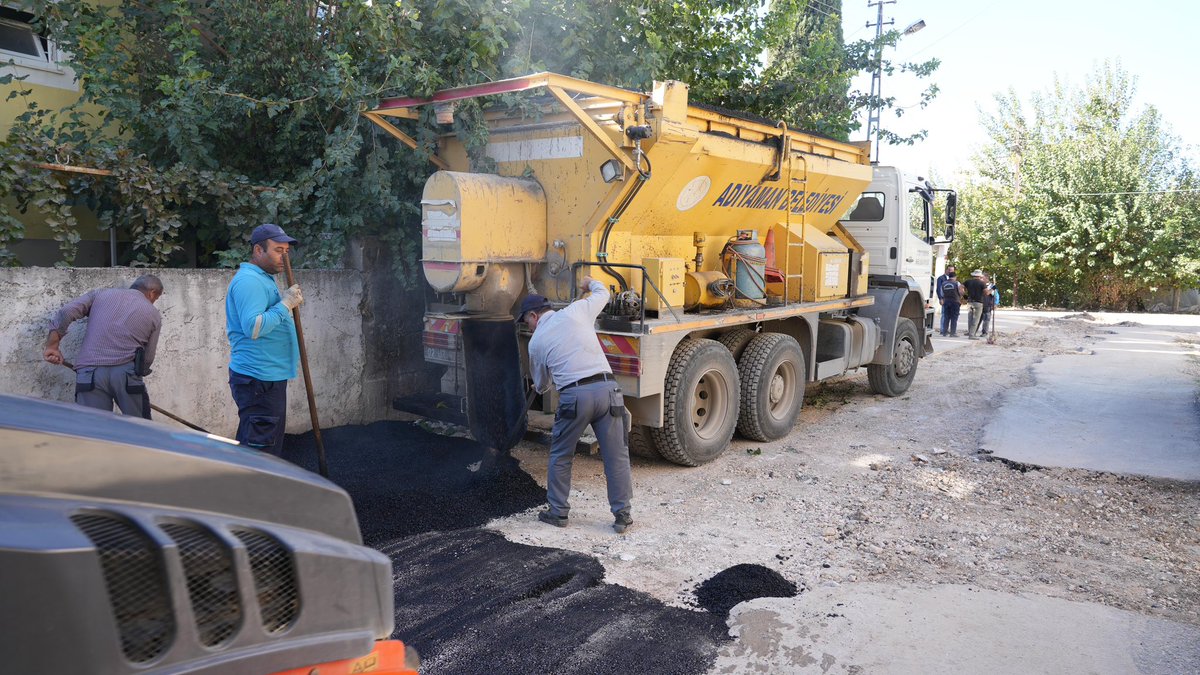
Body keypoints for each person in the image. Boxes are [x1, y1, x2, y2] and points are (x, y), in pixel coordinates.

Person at [521, 276, 634, 534]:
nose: (527, 326)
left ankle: (558, 512)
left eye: (526, 320)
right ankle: (622, 515)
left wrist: (537, 386)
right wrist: (589, 283)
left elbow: (541, 385)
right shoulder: (577, 310)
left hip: (576, 397)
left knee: (561, 455)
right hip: (609, 391)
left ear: (534, 316)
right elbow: (603, 293)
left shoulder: (536, 342)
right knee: (616, 456)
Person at [225, 224, 303, 456]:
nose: (284, 256)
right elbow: (255, 327)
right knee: (260, 449)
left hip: (266, 378)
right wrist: (285, 304)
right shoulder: (250, 281)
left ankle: (249, 489)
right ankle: (254, 491)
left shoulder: (263, 278)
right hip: (259, 380)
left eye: (286, 251)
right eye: (278, 250)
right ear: (259, 250)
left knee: (258, 442)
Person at [43, 275, 164, 418]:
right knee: (141, 428)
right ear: (152, 293)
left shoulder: (99, 294)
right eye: (155, 299)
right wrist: (139, 373)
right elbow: (148, 358)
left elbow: (66, 312)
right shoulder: (153, 314)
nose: (153, 302)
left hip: (90, 373)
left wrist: (53, 346)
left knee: (94, 430)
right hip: (126, 376)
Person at [963, 269, 988, 339]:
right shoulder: (982, 283)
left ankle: (970, 332)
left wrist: (964, 294)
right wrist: (992, 289)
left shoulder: (968, 282)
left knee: (970, 318)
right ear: (980, 276)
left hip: (970, 301)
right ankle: (972, 335)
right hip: (978, 302)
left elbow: (960, 287)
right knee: (976, 319)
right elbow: (986, 293)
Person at [938, 271, 962, 337]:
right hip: (955, 302)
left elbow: (941, 293)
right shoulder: (957, 283)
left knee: (946, 317)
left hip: (946, 302)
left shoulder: (943, 283)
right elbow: (960, 292)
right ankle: (953, 333)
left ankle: (944, 332)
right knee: (954, 318)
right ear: (955, 277)